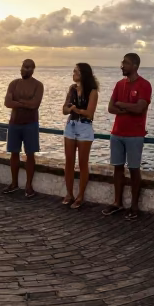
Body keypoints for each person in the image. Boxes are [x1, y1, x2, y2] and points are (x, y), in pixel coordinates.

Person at [104, 53, 152, 220]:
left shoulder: (145, 85)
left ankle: (134, 206)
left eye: (126, 63)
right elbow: (110, 107)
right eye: (122, 62)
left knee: (134, 170)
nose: (122, 65)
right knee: (117, 168)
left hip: (135, 135)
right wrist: (128, 108)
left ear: (135, 65)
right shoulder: (119, 84)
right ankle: (117, 202)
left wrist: (122, 105)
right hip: (117, 133)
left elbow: (140, 109)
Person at [4, 59, 44, 197]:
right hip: (14, 123)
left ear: (33, 69)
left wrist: (17, 102)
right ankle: (14, 183)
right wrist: (25, 103)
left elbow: (35, 104)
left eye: (28, 67)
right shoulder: (14, 84)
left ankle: (28, 186)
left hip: (30, 124)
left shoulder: (38, 85)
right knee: (14, 153)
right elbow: (7, 103)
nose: (24, 70)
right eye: (23, 67)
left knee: (30, 154)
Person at [61, 63, 100, 210]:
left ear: (83, 74)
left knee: (83, 163)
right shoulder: (72, 89)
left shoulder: (92, 91)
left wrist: (74, 109)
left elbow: (90, 113)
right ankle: (69, 194)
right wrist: (72, 109)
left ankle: (80, 196)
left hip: (84, 127)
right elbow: (64, 109)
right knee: (69, 162)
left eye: (76, 71)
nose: (73, 73)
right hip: (71, 126)